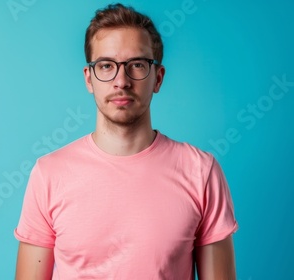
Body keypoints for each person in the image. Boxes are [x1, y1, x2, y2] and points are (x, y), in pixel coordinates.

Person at [14, 3, 238, 279]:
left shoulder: (201, 171)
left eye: (137, 65)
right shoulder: (49, 174)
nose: (121, 81)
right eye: (106, 66)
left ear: (158, 77)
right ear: (89, 78)